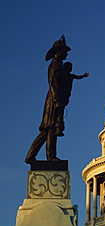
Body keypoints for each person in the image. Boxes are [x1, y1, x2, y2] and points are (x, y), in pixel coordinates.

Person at [25, 36, 88, 164]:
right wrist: (57, 99)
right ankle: (39, 156)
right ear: (58, 52)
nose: (66, 54)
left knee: (51, 129)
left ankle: (47, 156)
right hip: (54, 98)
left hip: (57, 97)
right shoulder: (55, 65)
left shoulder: (60, 66)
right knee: (49, 128)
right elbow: (53, 82)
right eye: (65, 52)